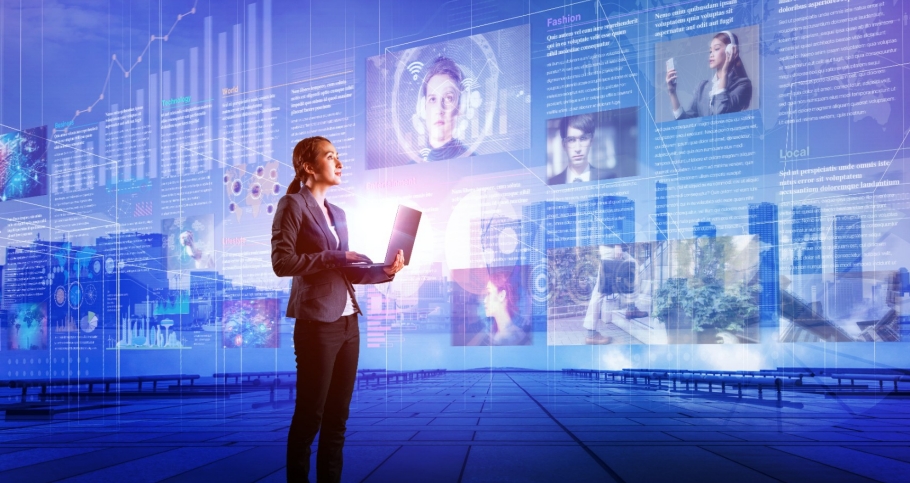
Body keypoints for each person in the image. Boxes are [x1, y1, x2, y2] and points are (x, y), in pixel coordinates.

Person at [271, 136, 405, 483]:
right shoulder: (292, 205)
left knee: (337, 419)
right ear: (308, 166)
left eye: (339, 156)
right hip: (316, 324)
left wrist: (386, 271)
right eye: (331, 156)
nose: (339, 163)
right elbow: (282, 263)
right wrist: (335, 256)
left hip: (348, 324)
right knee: (309, 417)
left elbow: (347, 271)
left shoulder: (338, 214)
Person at [665, 31, 752, 120]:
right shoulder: (702, 87)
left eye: (717, 49)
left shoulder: (743, 84)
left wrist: (724, 72)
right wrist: (672, 93)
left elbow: (719, 114)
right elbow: (686, 121)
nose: (711, 54)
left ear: (731, 50)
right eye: (710, 51)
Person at [418, 56, 468, 161]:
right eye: (432, 99)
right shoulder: (410, 168)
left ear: (460, 106)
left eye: (448, 98)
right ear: (424, 107)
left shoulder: (475, 162)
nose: (439, 110)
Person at [582, 245, 631, 344]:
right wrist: (617, 244)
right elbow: (609, 229)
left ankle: (631, 308)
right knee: (599, 292)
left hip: (611, 248)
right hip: (611, 248)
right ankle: (591, 334)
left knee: (599, 291)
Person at [548, 114, 614, 185]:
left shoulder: (608, 179)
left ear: (591, 141)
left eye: (583, 139)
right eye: (571, 140)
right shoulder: (551, 183)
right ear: (564, 145)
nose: (577, 149)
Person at [483, 271, 529, 345]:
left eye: (489, 293)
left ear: (502, 295)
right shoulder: (491, 335)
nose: (484, 300)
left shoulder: (519, 339)